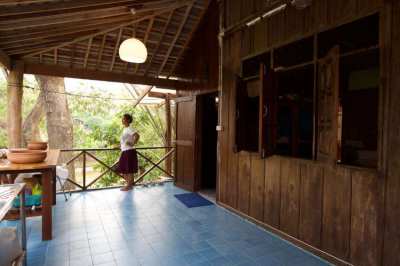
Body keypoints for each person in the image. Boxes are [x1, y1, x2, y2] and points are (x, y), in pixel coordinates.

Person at [116, 114, 139, 191]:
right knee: (123, 168)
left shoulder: (129, 128)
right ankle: (129, 185)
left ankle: (129, 186)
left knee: (128, 169)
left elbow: (137, 135)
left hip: (129, 151)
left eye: (124, 119)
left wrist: (133, 143)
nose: (122, 120)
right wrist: (118, 146)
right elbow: (125, 141)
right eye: (122, 119)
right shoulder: (125, 129)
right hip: (125, 151)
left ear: (128, 120)